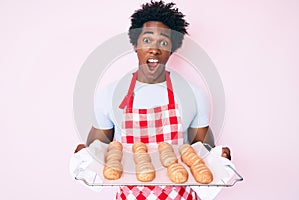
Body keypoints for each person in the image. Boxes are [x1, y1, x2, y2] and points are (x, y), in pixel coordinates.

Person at [76, 1, 231, 199]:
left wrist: (220, 158)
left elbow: (203, 152)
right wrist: (84, 155)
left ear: (172, 48)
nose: (154, 49)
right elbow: (98, 150)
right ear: (135, 45)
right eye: (147, 40)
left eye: (164, 42)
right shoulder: (109, 95)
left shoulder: (193, 94)